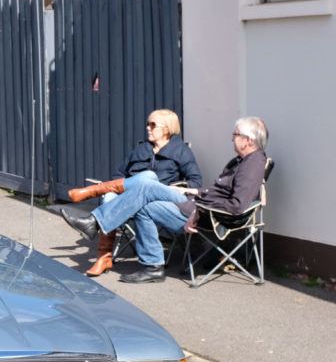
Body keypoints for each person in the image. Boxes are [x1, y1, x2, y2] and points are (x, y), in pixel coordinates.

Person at [62, 116, 268, 284]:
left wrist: (199, 211)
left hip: (205, 215)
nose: (232, 138)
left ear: (248, 139)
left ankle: (94, 221)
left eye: (235, 135)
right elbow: (218, 191)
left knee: (146, 184)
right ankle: (152, 266)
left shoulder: (253, 164)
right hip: (196, 202)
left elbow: (237, 205)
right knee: (144, 202)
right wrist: (195, 192)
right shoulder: (241, 161)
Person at [67, 109, 202, 277]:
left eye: (152, 125)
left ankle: (92, 204)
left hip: (164, 199)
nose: (148, 128)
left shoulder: (181, 150)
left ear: (166, 129)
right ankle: (104, 256)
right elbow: (119, 175)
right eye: (147, 124)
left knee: (148, 177)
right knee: (109, 195)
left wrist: (181, 188)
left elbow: (196, 182)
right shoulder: (141, 149)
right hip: (133, 198)